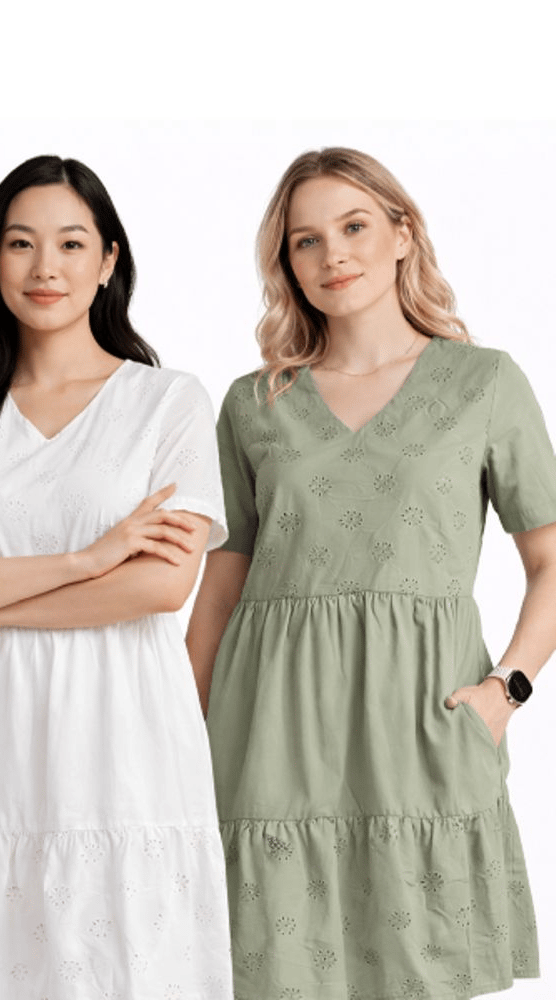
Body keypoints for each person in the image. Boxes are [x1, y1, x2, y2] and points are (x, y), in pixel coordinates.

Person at [0, 155, 233, 999]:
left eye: (70, 243)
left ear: (108, 262)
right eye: (20, 244)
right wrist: (88, 560)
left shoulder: (170, 403)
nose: (45, 267)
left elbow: (161, 589)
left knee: (118, 964)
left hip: (119, 724)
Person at [186, 146, 556, 1000]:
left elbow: (550, 560)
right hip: (269, 728)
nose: (332, 255)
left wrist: (507, 690)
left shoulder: (483, 382)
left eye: (353, 227)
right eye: (305, 241)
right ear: (286, 264)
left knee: (423, 971)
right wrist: (178, 728)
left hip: (422, 719)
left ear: (402, 234)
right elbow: (224, 582)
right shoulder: (255, 402)